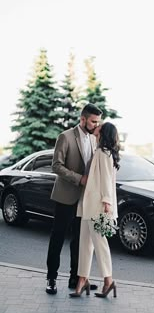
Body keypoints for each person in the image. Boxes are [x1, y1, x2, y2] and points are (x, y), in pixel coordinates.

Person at [45, 103, 102, 294]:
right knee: (58, 238)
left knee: (79, 241)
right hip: (65, 196)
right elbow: (56, 166)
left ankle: (75, 280)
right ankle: (51, 279)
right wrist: (79, 179)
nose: (96, 125)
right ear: (83, 119)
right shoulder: (66, 136)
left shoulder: (95, 139)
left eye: (98, 122)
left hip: (85, 199)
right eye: (93, 121)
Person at [69, 122, 120, 298]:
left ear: (103, 132)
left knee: (100, 245)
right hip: (88, 204)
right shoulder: (100, 151)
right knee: (85, 244)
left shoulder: (103, 153)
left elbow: (106, 180)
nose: (97, 126)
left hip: (98, 205)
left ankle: (109, 281)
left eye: (100, 125)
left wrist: (107, 202)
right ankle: (82, 280)